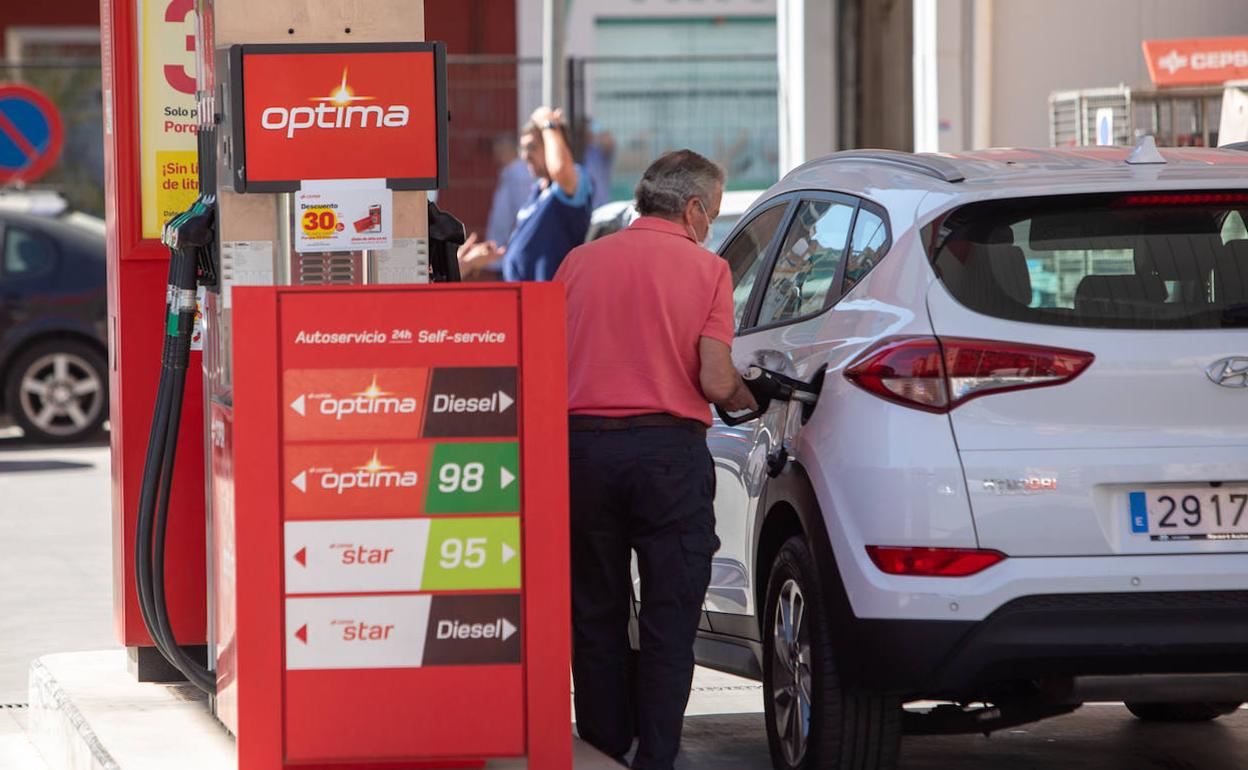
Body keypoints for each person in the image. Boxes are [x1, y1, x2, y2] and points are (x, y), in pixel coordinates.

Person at [554, 150, 758, 770]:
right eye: (714, 213)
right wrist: (755, 400)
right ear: (694, 209)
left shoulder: (578, 263)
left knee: (595, 610)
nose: (713, 225)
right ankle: (658, 757)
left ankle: (603, 749)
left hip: (582, 449)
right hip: (668, 455)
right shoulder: (707, 270)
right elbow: (717, 380)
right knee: (671, 614)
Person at [486, 133, 535, 246]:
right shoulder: (509, 172)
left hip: (508, 247)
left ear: (509, 150)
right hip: (501, 247)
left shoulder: (519, 174)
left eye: (500, 150)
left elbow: (521, 210)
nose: (496, 154)